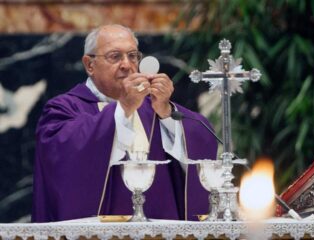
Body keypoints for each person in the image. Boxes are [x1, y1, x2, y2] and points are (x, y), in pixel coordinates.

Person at [32, 24, 217, 222]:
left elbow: (202, 139)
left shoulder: (154, 107)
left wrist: (167, 114)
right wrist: (124, 109)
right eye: (115, 56)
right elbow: (64, 160)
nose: (127, 65)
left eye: (133, 56)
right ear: (89, 65)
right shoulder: (63, 109)